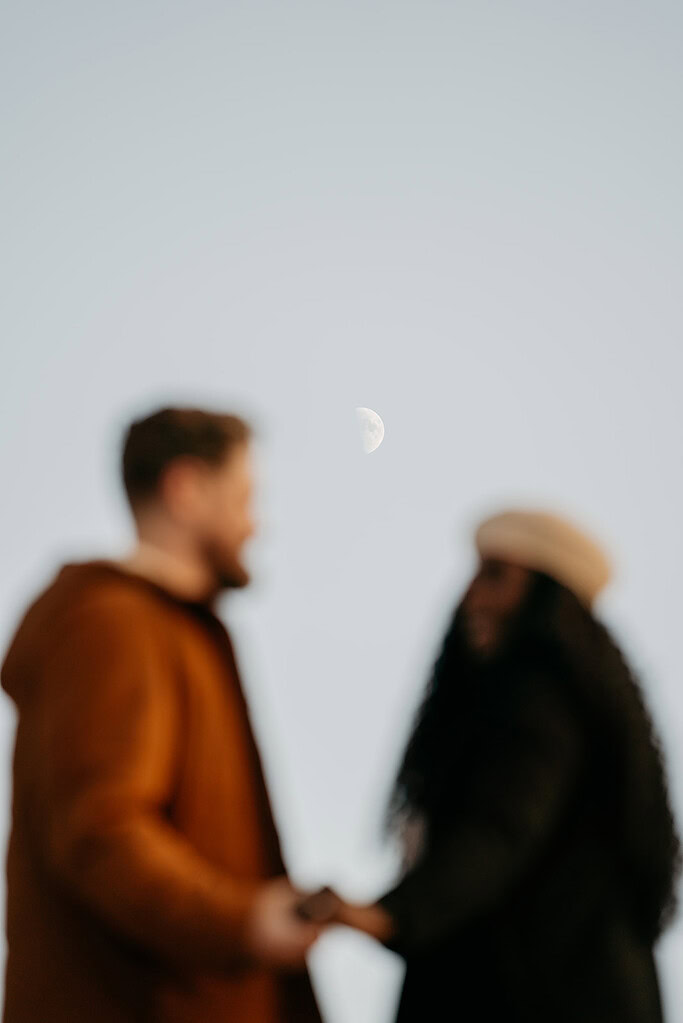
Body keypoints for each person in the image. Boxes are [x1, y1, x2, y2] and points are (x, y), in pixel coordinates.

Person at [0, 406, 325, 1023]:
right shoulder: (113, 625)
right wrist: (242, 922)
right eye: (244, 498)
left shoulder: (171, 630)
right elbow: (102, 830)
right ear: (187, 490)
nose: (257, 525)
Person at [322, 509, 681, 1021]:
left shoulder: (542, 695)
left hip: (541, 992)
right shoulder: (538, 700)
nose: (472, 595)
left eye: (496, 576)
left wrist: (391, 915)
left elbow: (504, 825)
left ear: (549, 598)